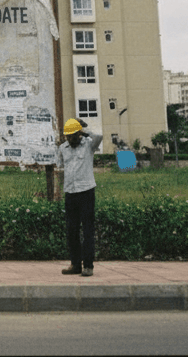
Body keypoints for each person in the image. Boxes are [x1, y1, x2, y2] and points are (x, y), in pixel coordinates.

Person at [55, 117, 102, 276]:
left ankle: (88, 266)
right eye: (67, 136)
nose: (70, 139)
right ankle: (75, 264)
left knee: (88, 229)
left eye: (72, 136)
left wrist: (84, 130)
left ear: (78, 134)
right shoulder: (63, 148)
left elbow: (99, 136)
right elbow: (60, 166)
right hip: (70, 193)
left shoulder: (88, 145)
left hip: (86, 192)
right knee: (71, 230)